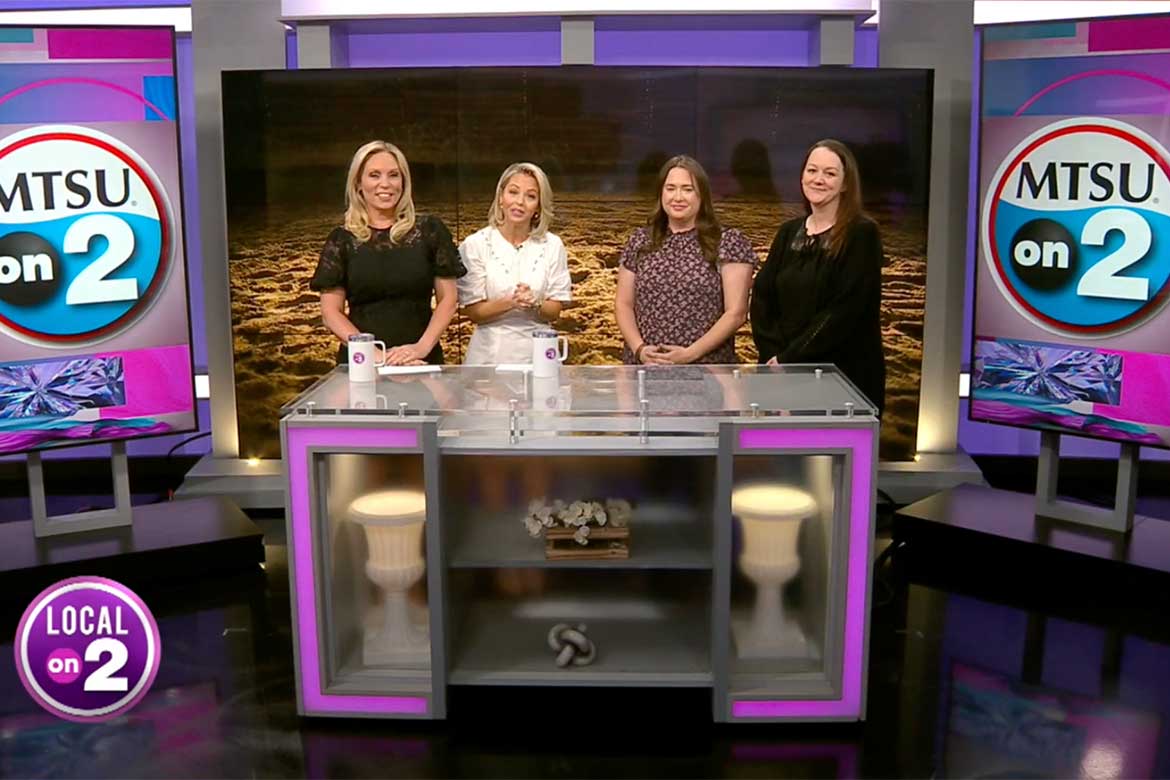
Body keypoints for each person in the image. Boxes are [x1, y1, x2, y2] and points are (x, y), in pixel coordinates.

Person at [750, 139, 886, 415]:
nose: (818, 179)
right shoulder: (789, 232)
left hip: (842, 379)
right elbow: (762, 297)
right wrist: (772, 357)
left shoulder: (862, 234)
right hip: (783, 375)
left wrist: (789, 359)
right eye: (812, 171)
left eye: (830, 173)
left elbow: (845, 311)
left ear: (846, 184)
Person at [310, 140, 465, 366]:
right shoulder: (341, 240)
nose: (386, 184)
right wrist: (377, 356)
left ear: (404, 181)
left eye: (393, 175)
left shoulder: (430, 231)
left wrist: (419, 349)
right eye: (374, 175)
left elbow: (448, 300)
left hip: (420, 359)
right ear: (358, 183)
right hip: (362, 362)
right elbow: (331, 313)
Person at [615, 155, 756, 365]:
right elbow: (623, 304)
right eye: (670, 188)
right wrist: (640, 350)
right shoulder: (640, 241)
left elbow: (736, 313)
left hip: (706, 372)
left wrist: (689, 354)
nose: (677, 197)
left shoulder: (728, 242)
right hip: (644, 370)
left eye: (687, 189)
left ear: (702, 195)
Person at [457, 162, 572, 365]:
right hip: (489, 357)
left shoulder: (553, 245)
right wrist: (512, 302)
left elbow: (554, 311)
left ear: (538, 207)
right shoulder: (475, 244)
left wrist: (535, 302)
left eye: (530, 196)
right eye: (513, 192)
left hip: (540, 356)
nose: (519, 202)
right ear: (501, 198)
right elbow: (474, 313)